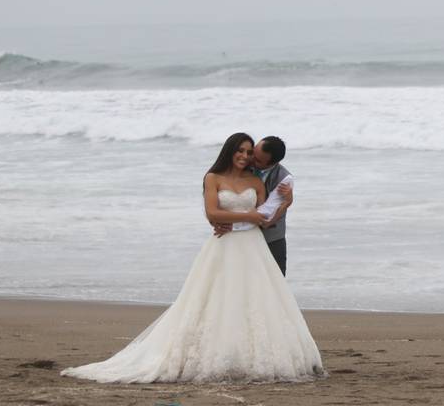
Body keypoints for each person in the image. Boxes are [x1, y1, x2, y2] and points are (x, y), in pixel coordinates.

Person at [60, 133, 325, 383]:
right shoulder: (213, 178)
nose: (246, 156)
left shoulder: (258, 182)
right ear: (230, 150)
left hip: (253, 245)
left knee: (255, 300)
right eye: (241, 151)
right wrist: (243, 218)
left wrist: (285, 205)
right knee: (215, 299)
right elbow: (213, 213)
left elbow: (265, 219)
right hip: (224, 245)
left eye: (249, 152)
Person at [214, 136, 293, 276]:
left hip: (271, 238)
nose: (249, 159)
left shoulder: (284, 179)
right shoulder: (240, 165)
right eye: (253, 153)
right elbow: (218, 196)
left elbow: (265, 218)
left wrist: (287, 203)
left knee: (274, 283)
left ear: (272, 163)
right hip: (235, 237)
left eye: (257, 160)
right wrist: (215, 221)